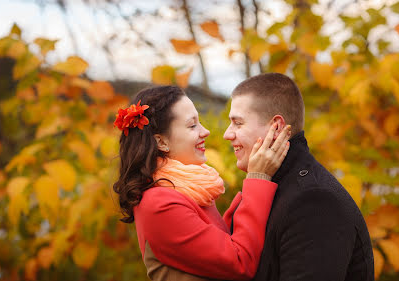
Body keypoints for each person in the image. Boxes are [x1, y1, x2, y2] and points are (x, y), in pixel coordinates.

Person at [113, 85, 291, 281]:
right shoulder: (160, 204)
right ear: (161, 142)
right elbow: (240, 262)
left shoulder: (188, 189)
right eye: (192, 126)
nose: (205, 131)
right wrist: (258, 178)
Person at [223, 73, 374, 281]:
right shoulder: (273, 187)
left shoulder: (314, 201)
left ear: (275, 127)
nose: (227, 134)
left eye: (237, 123)